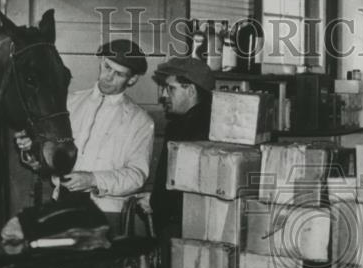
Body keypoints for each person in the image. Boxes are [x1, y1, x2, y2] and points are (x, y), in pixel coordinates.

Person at [15, 38, 155, 235]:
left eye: (119, 74)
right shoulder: (68, 103)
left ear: (132, 79)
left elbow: (136, 176)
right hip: (60, 206)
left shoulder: (140, 121)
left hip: (107, 214)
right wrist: (32, 150)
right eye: (107, 67)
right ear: (101, 62)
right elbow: (48, 158)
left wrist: (93, 179)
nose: (108, 77)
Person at [148, 56, 215, 236]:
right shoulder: (211, 122)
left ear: (191, 90)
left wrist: (155, 203)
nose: (163, 95)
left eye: (170, 89)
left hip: (182, 226)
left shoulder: (186, 127)